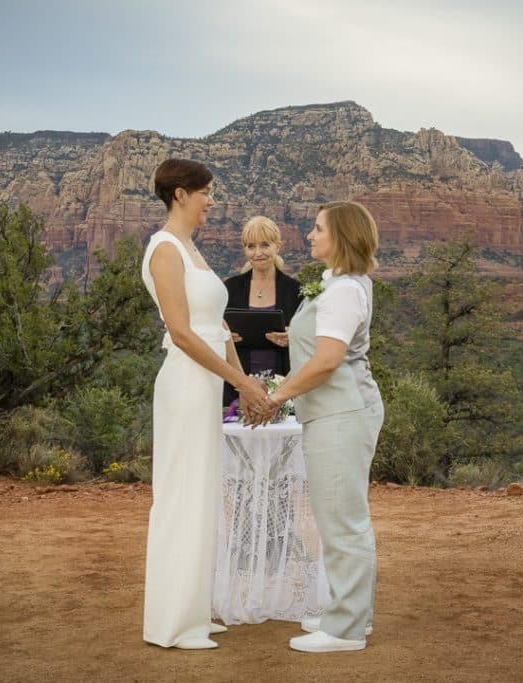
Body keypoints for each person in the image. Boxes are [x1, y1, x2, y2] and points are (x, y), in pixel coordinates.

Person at [141, 158, 272, 650]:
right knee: (179, 496)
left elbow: (217, 329)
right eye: (206, 193)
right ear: (180, 194)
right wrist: (237, 379)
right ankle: (171, 624)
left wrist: (243, 386)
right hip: (184, 385)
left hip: (208, 385)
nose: (211, 202)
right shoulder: (165, 250)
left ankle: (193, 610)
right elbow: (181, 332)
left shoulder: (192, 249)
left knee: (201, 495)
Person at [248, 201, 384, 653]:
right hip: (332, 412)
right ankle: (350, 614)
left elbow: (328, 362)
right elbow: (326, 342)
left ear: (341, 236)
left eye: (318, 228)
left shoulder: (344, 289)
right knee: (336, 515)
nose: (309, 235)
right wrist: (296, 338)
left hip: (341, 414)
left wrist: (277, 396)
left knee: (343, 520)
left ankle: (346, 629)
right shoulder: (338, 284)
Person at [222, 216, 303, 406]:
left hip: (284, 390)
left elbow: (313, 341)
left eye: (265, 245)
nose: (258, 253)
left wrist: (295, 335)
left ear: (278, 246)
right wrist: (224, 338)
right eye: (251, 246)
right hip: (237, 392)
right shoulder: (230, 288)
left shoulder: (295, 291)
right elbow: (212, 332)